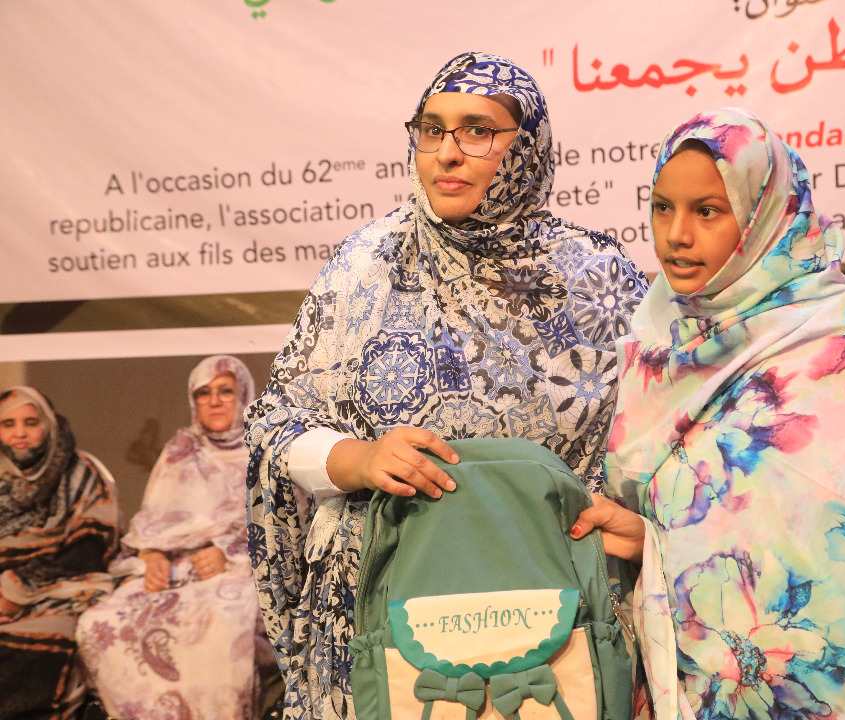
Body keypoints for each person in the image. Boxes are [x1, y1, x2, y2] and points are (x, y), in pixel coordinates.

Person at [244, 51, 647, 719]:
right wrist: (358, 459)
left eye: (478, 130)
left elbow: (655, 436)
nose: (447, 153)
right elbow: (277, 421)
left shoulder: (595, 275)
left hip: (557, 620)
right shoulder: (364, 266)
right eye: (432, 130)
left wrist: (642, 528)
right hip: (384, 617)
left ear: (528, 146)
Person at [571, 109, 845, 719]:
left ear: (764, 216)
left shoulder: (832, 338)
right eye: (662, 207)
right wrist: (650, 542)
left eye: (707, 211)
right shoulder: (659, 332)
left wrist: (664, 545)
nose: (676, 234)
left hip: (836, 679)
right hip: (701, 673)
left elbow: (840, 541)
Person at [76, 355, 272, 720]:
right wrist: (151, 557)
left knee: (222, 621)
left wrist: (228, 554)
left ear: (244, 394)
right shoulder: (180, 451)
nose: (214, 401)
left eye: (226, 391)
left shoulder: (265, 452)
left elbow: (282, 527)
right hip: (175, 573)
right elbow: (151, 525)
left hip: (241, 573)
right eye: (204, 393)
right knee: (97, 624)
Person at [0, 386, 121, 720]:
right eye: (8, 424)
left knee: (41, 638)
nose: (20, 433)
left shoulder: (81, 472)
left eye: (30, 422)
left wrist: (17, 591)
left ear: (48, 425)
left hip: (64, 588)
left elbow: (89, 547)